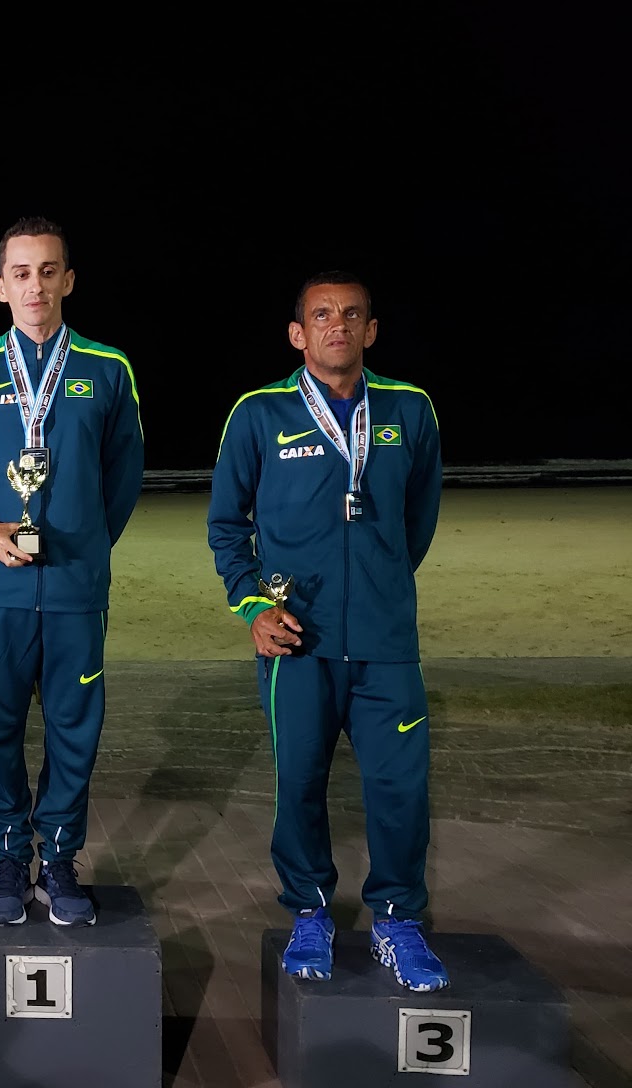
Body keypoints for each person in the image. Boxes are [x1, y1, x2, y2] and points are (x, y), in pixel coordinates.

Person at [206, 270, 449, 991]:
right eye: (320, 315)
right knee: (299, 784)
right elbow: (226, 525)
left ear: (370, 330)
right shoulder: (258, 413)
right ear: (297, 333)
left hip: (387, 645)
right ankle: (309, 911)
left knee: (400, 789)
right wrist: (253, 607)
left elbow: (417, 521)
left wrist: (378, 584)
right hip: (297, 643)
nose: (336, 324)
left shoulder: (410, 408)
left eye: (350, 314)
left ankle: (397, 920)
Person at [0, 216, 145, 927]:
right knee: (0, 731)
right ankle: (11, 858)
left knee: (76, 733)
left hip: (78, 590)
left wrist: (84, 547)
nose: (35, 285)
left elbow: (123, 477)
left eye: (48, 271)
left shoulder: (109, 369)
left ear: (68, 280)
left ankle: (61, 863)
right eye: (21, 273)